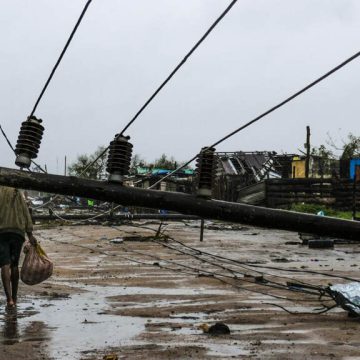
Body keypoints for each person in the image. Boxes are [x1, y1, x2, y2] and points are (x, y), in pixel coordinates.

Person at [0, 186, 36, 308]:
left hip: (2, 233)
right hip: (17, 233)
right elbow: (26, 213)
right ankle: (14, 299)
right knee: (14, 265)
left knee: (5, 264)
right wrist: (30, 234)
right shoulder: (17, 193)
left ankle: (9, 300)